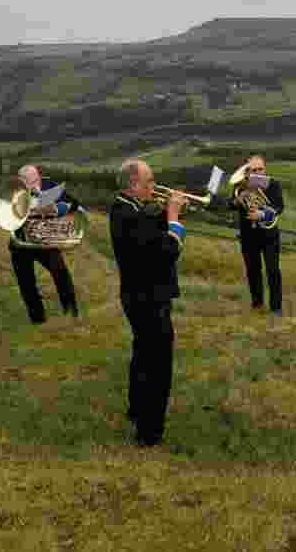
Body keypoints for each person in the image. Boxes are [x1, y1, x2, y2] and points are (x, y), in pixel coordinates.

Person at [109, 158, 188, 447]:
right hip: (149, 298)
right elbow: (167, 249)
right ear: (132, 185)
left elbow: (147, 224)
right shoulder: (129, 216)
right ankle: (149, 432)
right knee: (157, 364)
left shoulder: (125, 208)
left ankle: (136, 409)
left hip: (138, 295)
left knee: (142, 354)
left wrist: (169, 211)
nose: (155, 187)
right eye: (149, 182)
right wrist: (175, 219)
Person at [9, 164, 80, 324]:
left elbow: (73, 203)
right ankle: (38, 320)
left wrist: (57, 209)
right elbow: (10, 218)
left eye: (35, 180)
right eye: (27, 181)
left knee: (61, 274)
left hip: (44, 241)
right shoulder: (13, 191)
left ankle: (71, 312)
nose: (33, 184)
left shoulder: (49, 186)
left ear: (39, 176)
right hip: (21, 243)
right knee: (26, 283)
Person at [234, 154, 286, 316]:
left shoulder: (273, 184)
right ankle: (257, 304)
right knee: (252, 270)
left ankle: (276, 308)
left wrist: (262, 215)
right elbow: (230, 203)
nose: (257, 173)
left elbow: (279, 207)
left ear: (265, 169)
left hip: (269, 235)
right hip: (248, 235)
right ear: (247, 171)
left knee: (273, 270)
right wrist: (237, 201)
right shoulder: (241, 186)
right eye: (253, 170)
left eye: (260, 169)